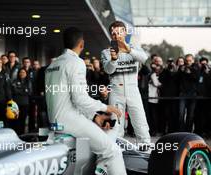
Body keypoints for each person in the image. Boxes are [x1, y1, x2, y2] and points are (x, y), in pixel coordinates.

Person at [45, 27, 127, 175]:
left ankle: (100, 167)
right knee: (113, 151)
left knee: (107, 127)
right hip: (70, 121)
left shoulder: (52, 65)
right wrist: (105, 107)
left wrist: (94, 116)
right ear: (81, 44)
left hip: (54, 121)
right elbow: (80, 99)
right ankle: (102, 165)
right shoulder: (76, 62)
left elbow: (67, 99)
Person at [101, 21, 151, 145]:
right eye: (113, 33)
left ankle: (145, 153)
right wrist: (113, 59)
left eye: (119, 32)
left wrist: (128, 49)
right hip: (116, 92)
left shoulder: (135, 48)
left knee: (141, 124)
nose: (116, 35)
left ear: (125, 32)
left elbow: (144, 59)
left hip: (133, 90)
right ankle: (118, 155)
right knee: (115, 127)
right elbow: (108, 70)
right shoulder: (106, 52)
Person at [177, 54, 200, 132]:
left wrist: (189, 73)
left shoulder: (196, 68)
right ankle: (181, 132)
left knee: (190, 116)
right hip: (182, 94)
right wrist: (181, 71)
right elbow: (176, 79)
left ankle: (188, 132)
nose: (188, 62)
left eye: (190, 60)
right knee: (181, 115)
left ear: (193, 60)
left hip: (193, 94)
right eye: (186, 60)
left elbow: (197, 79)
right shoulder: (181, 67)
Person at [159, 57, 180, 133]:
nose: (170, 64)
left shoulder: (176, 72)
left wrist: (175, 70)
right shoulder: (164, 71)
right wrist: (165, 70)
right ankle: (164, 130)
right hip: (165, 96)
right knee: (165, 114)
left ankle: (172, 130)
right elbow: (161, 79)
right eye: (169, 62)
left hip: (174, 96)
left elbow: (178, 80)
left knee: (173, 114)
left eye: (171, 62)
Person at [10, 68, 32, 135]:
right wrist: (23, 90)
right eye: (21, 72)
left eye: (24, 72)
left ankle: (22, 134)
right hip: (16, 103)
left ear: (26, 73)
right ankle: (16, 133)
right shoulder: (15, 81)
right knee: (16, 120)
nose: (22, 73)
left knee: (23, 119)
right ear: (19, 73)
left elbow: (29, 92)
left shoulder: (28, 81)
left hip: (25, 103)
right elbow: (14, 91)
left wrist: (19, 90)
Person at [194, 57, 210, 136]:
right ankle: (199, 132)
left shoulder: (209, 72)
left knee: (207, 116)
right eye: (202, 64)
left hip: (207, 98)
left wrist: (207, 72)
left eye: (205, 64)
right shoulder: (197, 72)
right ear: (200, 64)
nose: (204, 65)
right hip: (198, 98)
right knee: (198, 116)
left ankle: (207, 132)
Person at [147, 63, 162, 136]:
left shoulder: (153, 74)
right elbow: (156, 84)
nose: (157, 69)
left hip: (154, 97)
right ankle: (153, 131)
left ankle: (154, 130)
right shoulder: (152, 74)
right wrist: (162, 84)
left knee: (153, 115)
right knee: (153, 115)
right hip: (152, 97)